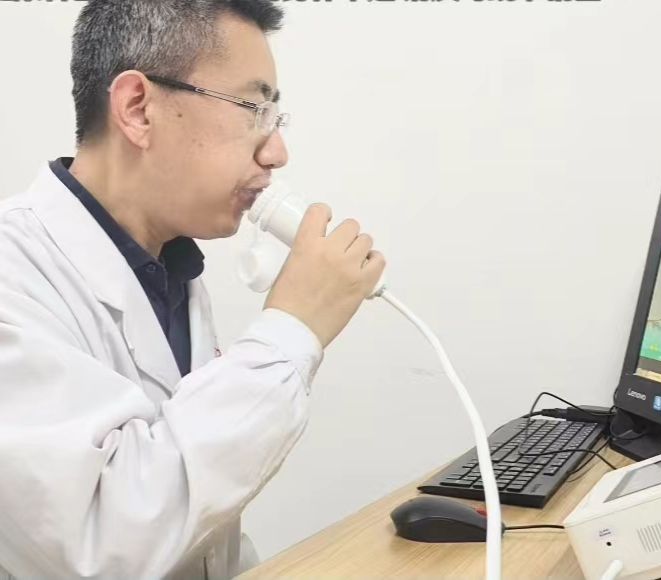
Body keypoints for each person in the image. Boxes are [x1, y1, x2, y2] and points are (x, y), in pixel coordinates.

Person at [0, 1, 385, 578]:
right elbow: (103, 542)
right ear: (138, 108)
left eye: (276, 117)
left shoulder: (170, 269)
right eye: (253, 109)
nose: (276, 152)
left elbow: (203, 531)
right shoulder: (14, 275)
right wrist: (290, 330)